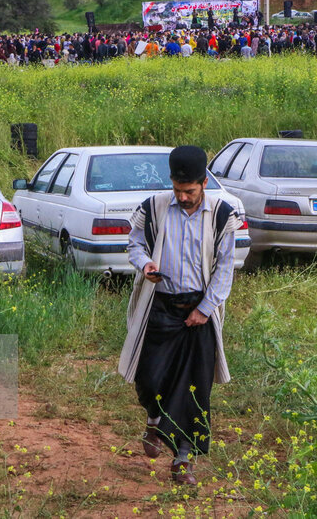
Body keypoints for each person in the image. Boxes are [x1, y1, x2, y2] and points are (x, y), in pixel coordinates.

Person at [119, 145, 243, 487]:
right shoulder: (154, 208)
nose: (183, 197)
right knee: (150, 378)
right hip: (160, 307)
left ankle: (183, 460)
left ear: (203, 183)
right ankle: (155, 419)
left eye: (189, 191)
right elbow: (134, 244)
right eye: (178, 190)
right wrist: (146, 265)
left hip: (199, 309)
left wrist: (205, 310)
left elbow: (224, 268)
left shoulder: (221, 214)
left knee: (193, 389)